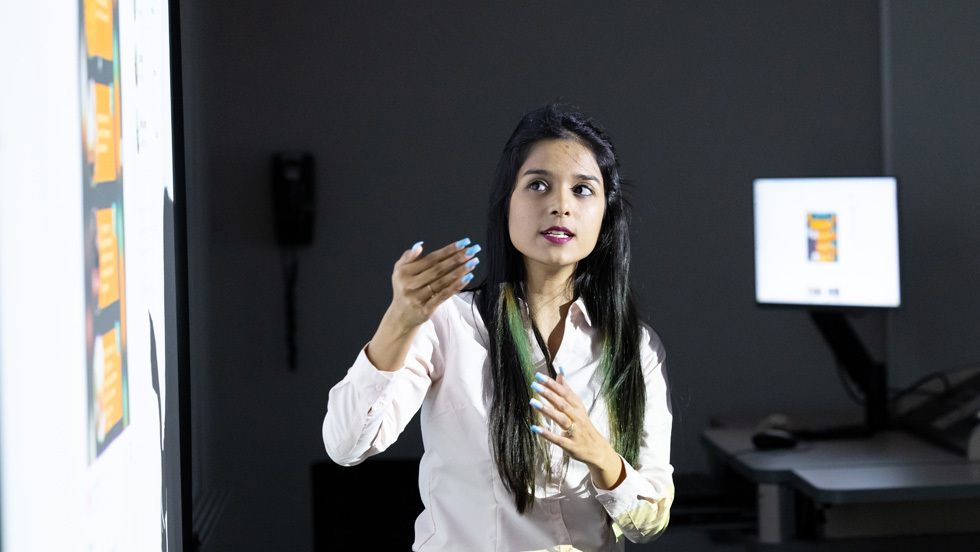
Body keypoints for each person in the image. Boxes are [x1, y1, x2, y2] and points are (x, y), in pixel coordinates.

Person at [323, 103, 673, 551]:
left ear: (606, 213)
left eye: (583, 190)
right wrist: (400, 320)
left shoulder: (635, 347)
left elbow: (648, 525)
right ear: (506, 202)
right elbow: (346, 446)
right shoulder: (448, 323)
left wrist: (599, 454)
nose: (561, 206)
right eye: (538, 185)